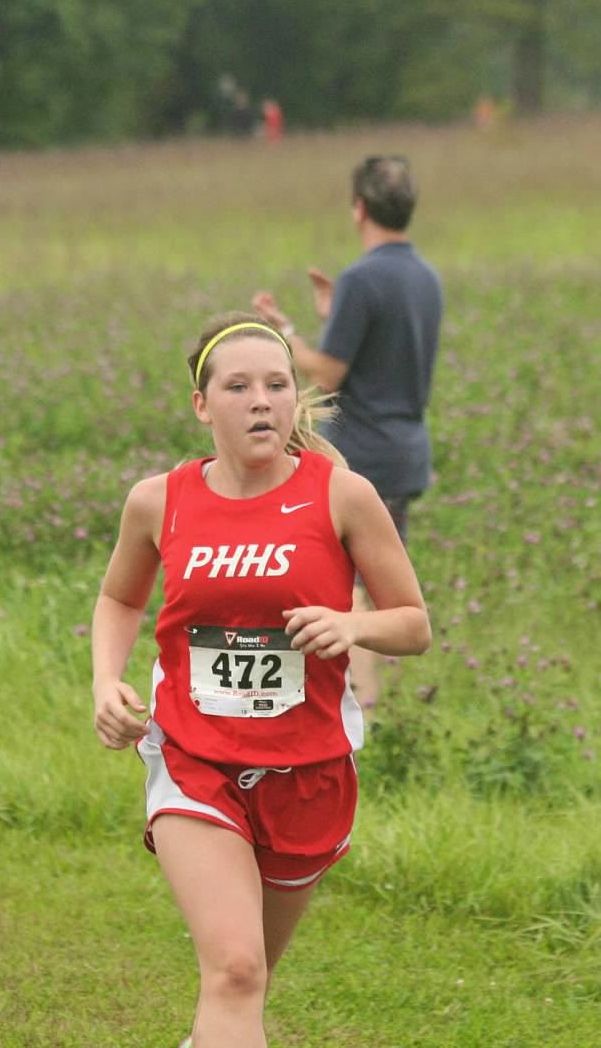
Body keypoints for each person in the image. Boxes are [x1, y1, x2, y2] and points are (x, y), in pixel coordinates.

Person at [91, 314, 430, 1047]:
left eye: (277, 385)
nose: (261, 401)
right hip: (194, 758)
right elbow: (119, 598)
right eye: (238, 386)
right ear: (202, 405)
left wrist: (353, 626)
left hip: (306, 773)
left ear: (294, 400)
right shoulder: (159, 500)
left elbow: (413, 623)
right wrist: (105, 683)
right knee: (238, 973)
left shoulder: (343, 495)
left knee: (245, 977)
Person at [251, 155, 442, 712]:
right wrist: (339, 316)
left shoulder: (363, 276)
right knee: (389, 587)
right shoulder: (424, 276)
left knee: (353, 592)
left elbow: (327, 374)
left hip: (362, 455)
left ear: (358, 208)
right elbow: (384, 354)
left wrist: (281, 332)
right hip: (406, 451)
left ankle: (360, 713)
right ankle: (374, 706)